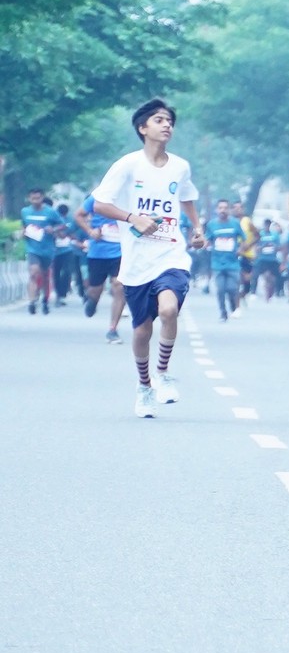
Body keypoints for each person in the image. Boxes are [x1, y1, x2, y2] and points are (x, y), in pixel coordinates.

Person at [91, 99, 203, 417]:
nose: (166, 125)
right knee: (142, 330)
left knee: (169, 309)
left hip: (171, 254)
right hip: (137, 261)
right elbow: (99, 204)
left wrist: (197, 228)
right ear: (143, 128)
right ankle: (144, 386)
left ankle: (163, 373)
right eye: (158, 120)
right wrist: (133, 218)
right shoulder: (128, 165)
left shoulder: (180, 167)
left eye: (169, 120)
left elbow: (187, 197)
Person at [81, 200, 123, 324]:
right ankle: (93, 300)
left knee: (119, 286)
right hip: (98, 252)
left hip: (121, 251)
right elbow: (78, 215)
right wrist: (90, 231)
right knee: (95, 290)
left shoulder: (130, 194)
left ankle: (113, 327)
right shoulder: (97, 197)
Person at [20, 189, 57, 313]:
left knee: (45, 275)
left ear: (42, 198)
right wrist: (23, 232)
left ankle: (45, 300)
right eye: (33, 199)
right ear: (29, 199)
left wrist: (53, 229)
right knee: (33, 273)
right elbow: (23, 225)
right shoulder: (25, 211)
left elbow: (62, 225)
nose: (35, 201)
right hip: (32, 248)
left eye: (38, 198)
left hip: (47, 249)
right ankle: (32, 301)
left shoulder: (50, 212)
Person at [209, 196, 243, 320]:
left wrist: (241, 249)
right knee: (220, 289)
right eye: (220, 208)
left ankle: (233, 305)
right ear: (217, 210)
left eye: (225, 208)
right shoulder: (212, 224)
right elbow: (207, 239)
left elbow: (244, 238)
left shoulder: (235, 223)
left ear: (229, 210)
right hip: (217, 263)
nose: (223, 210)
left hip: (232, 263)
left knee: (232, 288)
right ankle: (223, 312)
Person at [52, 206, 83, 307]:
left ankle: (62, 293)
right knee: (56, 273)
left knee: (66, 271)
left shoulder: (71, 220)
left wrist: (68, 235)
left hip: (68, 250)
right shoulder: (53, 219)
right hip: (55, 250)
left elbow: (74, 232)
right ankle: (58, 294)